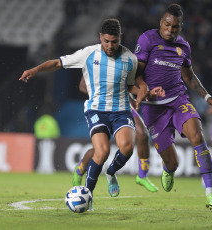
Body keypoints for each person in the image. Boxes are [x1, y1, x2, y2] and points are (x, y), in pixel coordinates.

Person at [19, 19, 162, 209]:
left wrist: (148, 91)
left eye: (114, 41)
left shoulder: (130, 59)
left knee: (127, 147)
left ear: (120, 38)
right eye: (106, 41)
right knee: (101, 152)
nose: (110, 46)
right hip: (97, 110)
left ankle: (111, 173)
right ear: (100, 38)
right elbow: (57, 62)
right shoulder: (88, 54)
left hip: (121, 110)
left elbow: (131, 86)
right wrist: (35, 69)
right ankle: (88, 196)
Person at [134, 4, 212, 211]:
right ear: (161, 22)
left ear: (180, 27)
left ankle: (210, 193)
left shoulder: (183, 47)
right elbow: (136, 73)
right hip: (153, 108)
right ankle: (169, 169)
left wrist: (207, 96)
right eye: (167, 24)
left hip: (178, 100)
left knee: (197, 136)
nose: (170, 29)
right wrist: (144, 89)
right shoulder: (147, 40)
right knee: (173, 163)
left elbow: (189, 77)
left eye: (175, 27)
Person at [72, 76, 159, 192]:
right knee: (100, 150)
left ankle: (142, 176)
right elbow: (82, 85)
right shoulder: (93, 59)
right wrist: (102, 95)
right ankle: (80, 170)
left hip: (122, 106)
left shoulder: (127, 59)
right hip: (101, 107)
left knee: (143, 134)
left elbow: (125, 84)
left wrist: (136, 94)